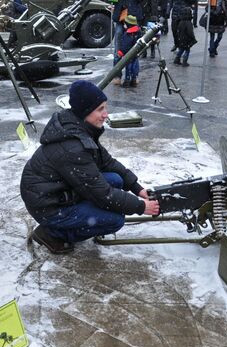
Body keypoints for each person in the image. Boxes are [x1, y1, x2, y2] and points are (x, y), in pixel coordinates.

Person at [20, 80, 160, 254]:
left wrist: (137, 189)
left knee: (115, 179)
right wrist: (140, 207)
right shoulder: (72, 146)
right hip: (49, 207)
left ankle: (75, 218)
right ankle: (51, 233)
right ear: (85, 111)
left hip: (58, 192)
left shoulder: (80, 128)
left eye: (105, 108)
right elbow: (102, 194)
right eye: (100, 109)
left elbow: (108, 162)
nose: (106, 115)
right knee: (115, 220)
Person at [112, 0, 144, 85]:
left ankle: (134, 76)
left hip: (132, 18)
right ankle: (117, 76)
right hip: (120, 17)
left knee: (134, 51)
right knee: (118, 50)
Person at [170, 0, 197, 65]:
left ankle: (177, 59)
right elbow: (190, 32)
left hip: (181, 38)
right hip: (186, 40)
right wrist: (193, 39)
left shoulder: (182, 21)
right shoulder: (188, 23)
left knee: (181, 49)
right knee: (187, 50)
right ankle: (184, 61)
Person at [118, 15, 142, 86]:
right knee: (134, 67)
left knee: (128, 67)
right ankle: (134, 79)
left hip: (128, 54)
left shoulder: (128, 33)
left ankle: (127, 81)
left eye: (125, 23)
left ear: (129, 24)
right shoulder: (138, 32)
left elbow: (125, 44)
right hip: (135, 53)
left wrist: (121, 51)